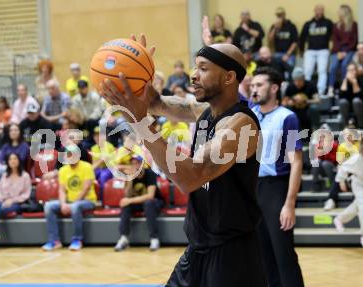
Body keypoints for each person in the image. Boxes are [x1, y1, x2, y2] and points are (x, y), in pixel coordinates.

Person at [101, 35, 267, 286]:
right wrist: (135, 77)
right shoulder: (202, 112)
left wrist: (141, 123)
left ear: (229, 77)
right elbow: (155, 103)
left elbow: (190, 177)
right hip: (198, 248)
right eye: (194, 67)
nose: (193, 74)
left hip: (231, 256)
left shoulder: (240, 126)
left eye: (203, 68)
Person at [250, 68, 304, 287]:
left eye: (259, 85)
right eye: (252, 85)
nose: (254, 89)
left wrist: (289, 203)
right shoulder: (250, 114)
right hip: (253, 188)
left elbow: (297, 162)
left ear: (274, 88)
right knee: (262, 253)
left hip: (276, 189)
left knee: (283, 252)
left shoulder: (287, 118)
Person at [42, 145, 96, 251]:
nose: (70, 156)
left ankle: (77, 239)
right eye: (68, 154)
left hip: (88, 201)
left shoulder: (87, 167)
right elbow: (62, 190)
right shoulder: (62, 170)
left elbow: (85, 189)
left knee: (75, 207)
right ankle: (54, 241)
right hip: (70, 201)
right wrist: (63, 204)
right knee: (49, 206)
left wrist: (71, 205)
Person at [333, 134, 363, 249]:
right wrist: (341, 181)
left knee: (357, 206)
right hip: (358, 184)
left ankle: (339, 219)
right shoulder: (356, 159)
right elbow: (342, 168)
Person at [0, 153, 31, 252]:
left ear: (19, 161)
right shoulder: (4, 175)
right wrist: (1, 199)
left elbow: (26, 194)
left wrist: (12, 200)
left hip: (17, 204)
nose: (12, 161)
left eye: (15, 158)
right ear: (7, 162)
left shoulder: (25, 176)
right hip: (2, 202)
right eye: (10, 159)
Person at [115, 155, 164, 251]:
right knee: (126, 206)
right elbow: (127, 196)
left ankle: (154, 238)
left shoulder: (150, 174)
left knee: (148, 203)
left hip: (155, 202)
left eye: (137, 163)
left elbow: (150, 196)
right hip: (139, 202)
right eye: (132, 164)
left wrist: (129, 200)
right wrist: (129, 179)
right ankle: (123, 238)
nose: (134, 166)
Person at [299, 4, 333, 95]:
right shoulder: (308, 24)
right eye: (318, 9)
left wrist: (332, 50)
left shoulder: (328, 23)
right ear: (314, 11)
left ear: (323, 11)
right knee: (307, 72)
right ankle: (306, 91)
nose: (319, 11)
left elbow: (333, 37)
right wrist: (301, 50)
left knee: (322, 71)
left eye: (321, 10)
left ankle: (321, 92)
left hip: (323, 50)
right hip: (310, 51)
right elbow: (302, 38)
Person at [323, 128, 360, 210]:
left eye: (349, 135)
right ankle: (331, 200)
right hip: (346, 172)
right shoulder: (342, 147)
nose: (347, 137)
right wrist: (341, 180)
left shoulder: (360, 145)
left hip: (358, 172)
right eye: (345, 135)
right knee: (338, 179)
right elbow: (340, 164)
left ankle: (356, 203)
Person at [327, 5, 358, 96]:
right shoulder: (336, 26)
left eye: (339, 12)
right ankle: (331, 88)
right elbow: (335, 41)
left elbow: (354, 41)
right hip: (337, 50)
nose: (338, 14)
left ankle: (343, 87)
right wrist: (339, 52)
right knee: (333, 66)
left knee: (345, 65)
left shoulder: (354, 25)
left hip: (349, 49)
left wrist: (345, 52)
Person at [338, 63, 363, 128]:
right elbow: (341, 96)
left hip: (361, 106)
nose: (351, 72)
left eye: (353, 70)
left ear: (356, 71)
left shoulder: (362, 79)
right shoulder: (344, 81)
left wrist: (354, 82)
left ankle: (361, 125)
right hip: (348, 107)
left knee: (356, 101)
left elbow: (361, 96)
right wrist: (345, 80)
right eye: (349, 70)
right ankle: (345, 125)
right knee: (342, 102)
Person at [90, 127, 115, 198]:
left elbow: (112, 164)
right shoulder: (93, 148)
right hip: (98, 169)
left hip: (108, 169)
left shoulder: (110, 147)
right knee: (87, 176)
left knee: (103, 176)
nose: (97, 137)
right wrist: (101, 160)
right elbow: (94, 164)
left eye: (99, 135)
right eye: (95, 136)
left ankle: (103, 200)